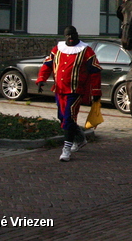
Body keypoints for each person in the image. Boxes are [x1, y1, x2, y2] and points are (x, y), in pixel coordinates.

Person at [36, 26, 102, 162]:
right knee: (62, 117)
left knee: (69, 118)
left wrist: (96, 91)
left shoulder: (86, 51)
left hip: (76, 91)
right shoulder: (57, 49)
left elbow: (95, 72)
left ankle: (66, 149)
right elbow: (47, 64)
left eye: (73, 35)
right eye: (68, 35)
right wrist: (41, 79)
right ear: (64, 36)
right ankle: (80, 138)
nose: (70, 38)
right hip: (59, 90)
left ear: (77, 34)